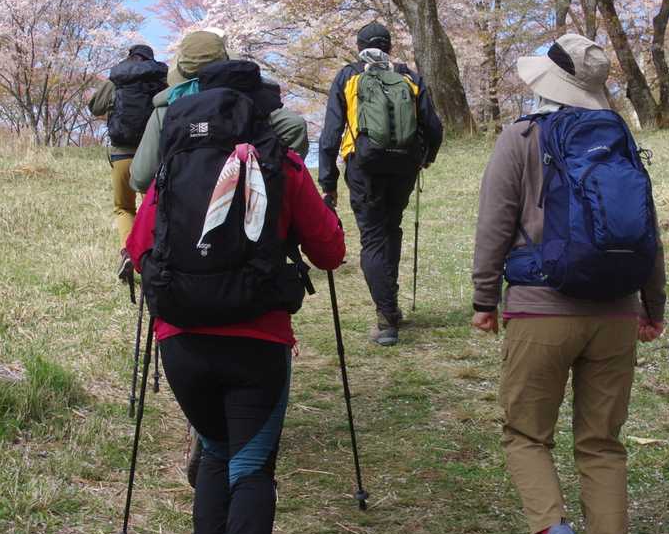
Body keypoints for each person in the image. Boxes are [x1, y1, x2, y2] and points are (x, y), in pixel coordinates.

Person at [126, 57, 345, 534]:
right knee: (250, 465)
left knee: (217, 450)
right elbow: (330, 251)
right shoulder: (280, 161)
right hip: (257, 339)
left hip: (181, 340)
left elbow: (138, 249)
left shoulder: (174, 163)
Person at [470, 33, 667, 534]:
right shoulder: (620, 140)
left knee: (526, 433)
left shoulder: (520, 138)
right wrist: (652, 306)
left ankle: (552, 531)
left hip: (541, 310)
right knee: (602, 442)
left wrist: (485, 299)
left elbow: (494, 223)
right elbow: (648, 231)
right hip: (616, 312)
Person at [316, 21, 443, 346]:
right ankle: (391, 304)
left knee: (372, 238)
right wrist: (426, 158)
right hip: (404, 165)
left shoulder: (348, 76)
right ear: (389, 47)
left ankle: (386, 318)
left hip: (364, 167)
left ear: (359, 47)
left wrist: (328, 182)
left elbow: (330, 135)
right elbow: (434, 126)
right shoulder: (408, 76)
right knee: (391, 228)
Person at [130, 29, 308, 194]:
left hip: (185, 208)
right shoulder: (253, 102)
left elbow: (141, 178)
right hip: (250, 205)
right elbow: (295, 125)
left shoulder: (166, 111)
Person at [89, 43, 168, 257]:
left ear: (130, 56)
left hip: (121, 152)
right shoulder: (161, 78)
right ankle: (151, 253)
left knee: (124, 207)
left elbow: (95, 107)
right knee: (151, 206)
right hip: (152, 155)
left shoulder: (117, 79)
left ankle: (127, 253)